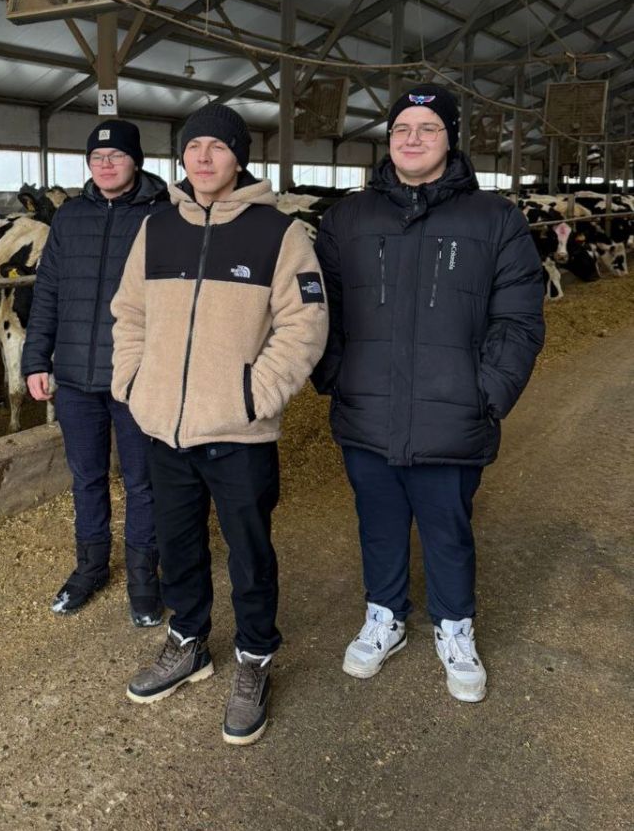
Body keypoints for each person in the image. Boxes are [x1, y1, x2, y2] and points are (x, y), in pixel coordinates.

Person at [312, 84, 545, 702]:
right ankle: (385, 616)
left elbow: (519, 320)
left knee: (448, 527)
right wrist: (333, 375)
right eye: (401, 129)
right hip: (367, 408)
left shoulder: (495, 220)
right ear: (388, 140)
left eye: (427, 128)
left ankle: (454, 625)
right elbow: (320, 309)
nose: (412, 139)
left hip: (454, 414)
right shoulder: (346, 219)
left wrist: (486, 393)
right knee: (378, 523)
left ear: (450, 138)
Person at [111, 103, 328, 745]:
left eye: (218, 146)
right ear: (182, 156)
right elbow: (129, 313)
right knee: (178, 543)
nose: (203, 158)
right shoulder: (156, 228)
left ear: (239, 158)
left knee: (250, 551)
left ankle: (255, 656)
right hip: (164, 428)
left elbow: (305, 323)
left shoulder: (279, 234)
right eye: (193, 146)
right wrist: (134, 383)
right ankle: (188, 642)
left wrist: (256, 394)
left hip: (238, 432)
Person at [22, 118, 169, 626]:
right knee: (87, 477)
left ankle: (144, 579)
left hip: (136, 376)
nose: (105, 165)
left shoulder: (162, 216)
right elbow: (48, 292)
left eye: (116, 156)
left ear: (136, 161)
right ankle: (90, 568)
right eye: (97, 157)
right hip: (75, 378)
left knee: (143, 480)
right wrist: (36, 359)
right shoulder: (69, 217)